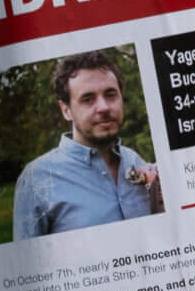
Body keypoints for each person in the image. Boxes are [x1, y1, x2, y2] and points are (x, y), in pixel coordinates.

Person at [11, 50, 162, 238]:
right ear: (66, 110)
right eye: (88, 99)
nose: (104, 107)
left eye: (110, 94)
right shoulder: (37, 179)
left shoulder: (135, 160)